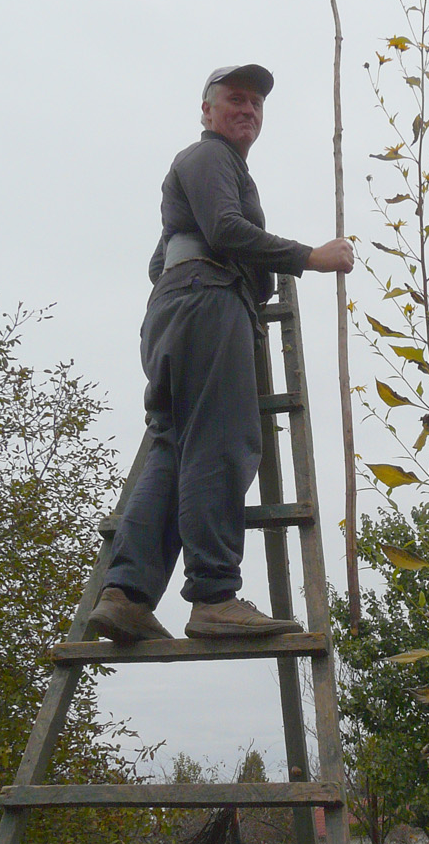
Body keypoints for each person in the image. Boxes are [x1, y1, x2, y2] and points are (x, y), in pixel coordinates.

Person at [89, 63, 353, 645]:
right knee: (222, 439)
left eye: (257, 106)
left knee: (174, 444)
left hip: (179, 305)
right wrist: (311, 256)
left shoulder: (208, 171)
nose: (248, 111)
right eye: (236, 99)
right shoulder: (208, 158)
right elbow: (227, 231)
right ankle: (214, 597)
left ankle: (127, 594)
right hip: (207, 303)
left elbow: (162, 262)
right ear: (206, 110)